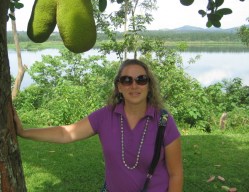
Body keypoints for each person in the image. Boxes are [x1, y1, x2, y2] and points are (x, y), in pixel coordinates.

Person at [13, 59, 183, 192]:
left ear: (149, 85)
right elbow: (66, 133)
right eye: (126, 80)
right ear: (119, 87)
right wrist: (24, 132)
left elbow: (175, 174)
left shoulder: (163, 121)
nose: (134, 85)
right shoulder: (105, 116)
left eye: (141, 79)